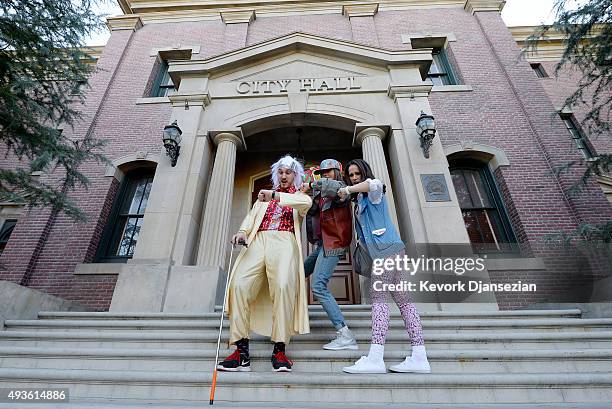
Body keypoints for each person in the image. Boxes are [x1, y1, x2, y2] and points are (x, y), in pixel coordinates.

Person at [217, 155, 312, 373]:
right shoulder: (262, 199)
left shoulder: (300, 196)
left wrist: (276, 196)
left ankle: (279, 349)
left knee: (282, 287)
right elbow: (250, 218)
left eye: (288, 172)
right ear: (276, 174)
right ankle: (241, 352)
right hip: (258, 240)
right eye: (280, 172)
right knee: (239, 284)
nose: (284, 175)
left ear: (295, 175)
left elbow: (305, 204)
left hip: (285, 240)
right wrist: (242, 232)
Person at [338, 159, 430, 374]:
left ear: (364, 173)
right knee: (405, 303)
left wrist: (347, 189)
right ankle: (419, 356)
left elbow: (374, 185)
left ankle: (376, 358)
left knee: (378, 300)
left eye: (357, 173)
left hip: (386, 252)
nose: (354, 177)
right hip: (392, 251)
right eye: (350, 175)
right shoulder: (359, 200)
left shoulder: (374, 191)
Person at [303, 159, 357, 350]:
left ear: (337, 172)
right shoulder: (322, 194)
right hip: (322, 244)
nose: (325, 174)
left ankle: (345, 334)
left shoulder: (341, 189)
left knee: (318, 285)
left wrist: (310, 183)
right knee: (298, 274)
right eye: (322, 172)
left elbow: (332, 187)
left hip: (334, 243)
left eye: (328, 171)